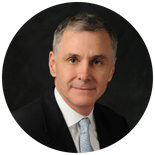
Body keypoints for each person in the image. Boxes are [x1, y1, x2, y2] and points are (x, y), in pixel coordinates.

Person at [12, 13, 129, 153]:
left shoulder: (118, 126)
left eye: (97, 62)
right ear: (52, 64)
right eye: (73, 60)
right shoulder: (23, 126)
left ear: (111, 69)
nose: (84, 76)